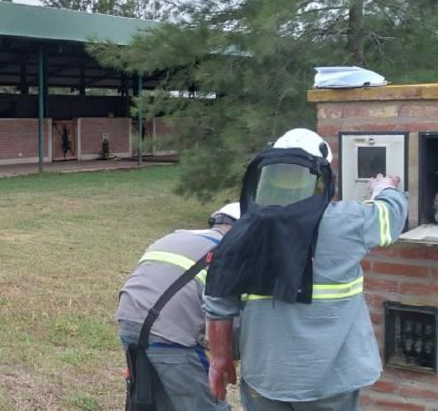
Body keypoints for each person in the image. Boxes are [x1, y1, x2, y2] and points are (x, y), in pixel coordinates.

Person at [204, 128, 407, 410]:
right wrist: (385, 189)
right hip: (331, 382)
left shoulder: (246, 229)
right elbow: (391, 218)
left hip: (266, 379)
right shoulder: (347, 221)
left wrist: (219, 359)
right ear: (322, 174)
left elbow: (218, 300)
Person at [116, 203, 241, 411]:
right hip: (171, 334)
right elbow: (232, 318)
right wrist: (228, 358)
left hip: (128, 321)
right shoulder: (231, 252)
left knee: (158, 404)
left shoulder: (174, 237)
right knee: (204, 405)